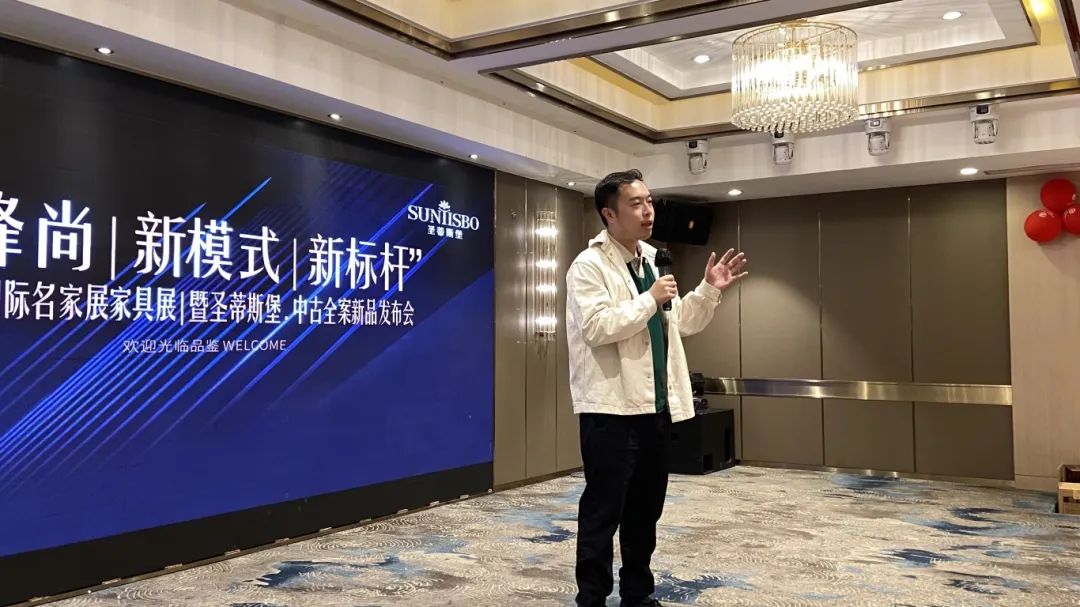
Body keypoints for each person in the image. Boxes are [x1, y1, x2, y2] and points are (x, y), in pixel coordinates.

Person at [565, 169, 748, 607]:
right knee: (603, 512)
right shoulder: (589, 265)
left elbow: (679, 322)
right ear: (609, 214)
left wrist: (708, 290)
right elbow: (596, 327)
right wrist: (651, 298)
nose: (648, 211)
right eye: (636, 203)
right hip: (611, 411)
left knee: (645, 513)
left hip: (655, 410)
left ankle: (637, 595)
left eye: (649, 201)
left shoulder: (652, 260)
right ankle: (591, 599)